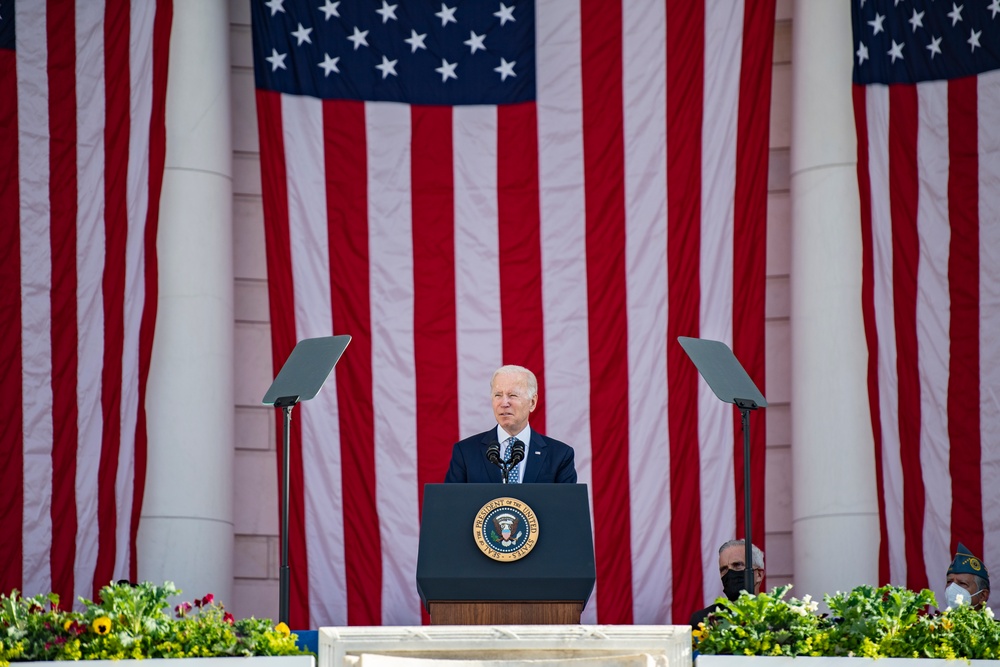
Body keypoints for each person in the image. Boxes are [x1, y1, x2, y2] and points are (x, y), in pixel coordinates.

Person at [444, 365, 577, 483]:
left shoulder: (559, 455)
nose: (504, 403)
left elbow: (567, 508)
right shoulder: (466, 452)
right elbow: (450, 505)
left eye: (512, 395)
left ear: (532, 402)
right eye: (498, 395)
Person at [689, 539, 765, 627]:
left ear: (759, 575)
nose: (729, 573)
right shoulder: (704, 621)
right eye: (724, 569)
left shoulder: (777, 617)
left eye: (737, 565)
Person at [945, 542, 990, 609]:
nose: (952, 588)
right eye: (949, 582)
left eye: (962, 583)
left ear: (982, 596)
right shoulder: (933, 619)